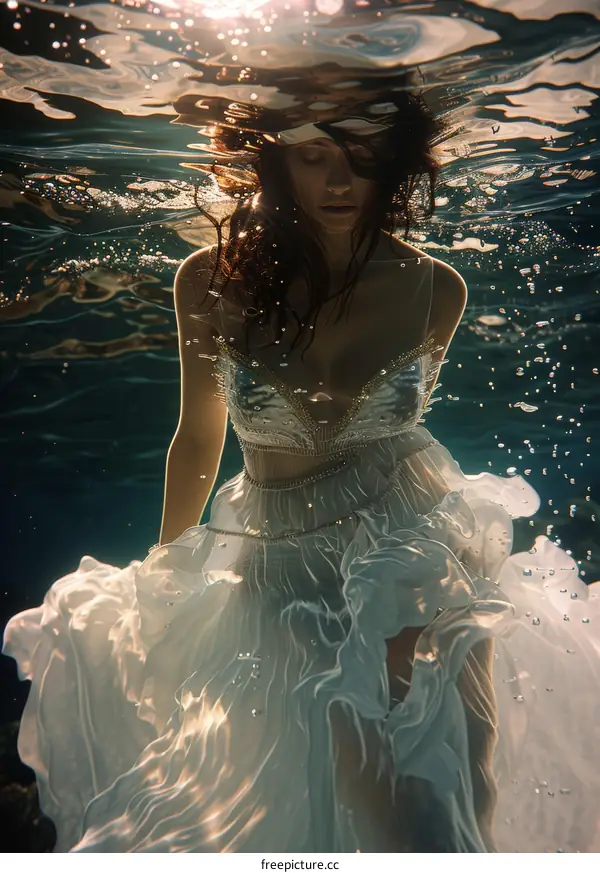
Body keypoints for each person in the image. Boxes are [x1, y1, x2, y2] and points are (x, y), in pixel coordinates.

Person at [3, 97, 600, 854]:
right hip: (280, 559)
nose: (340, 181)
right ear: (277, 162)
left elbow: (400, 435)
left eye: (361, 159)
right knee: (324, 780)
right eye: (315, 156)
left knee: (446, 790)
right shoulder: (207, 281)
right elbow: (197, 440)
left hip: (415, 539)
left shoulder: (439, 288)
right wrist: (166, 573)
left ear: (395, 164)